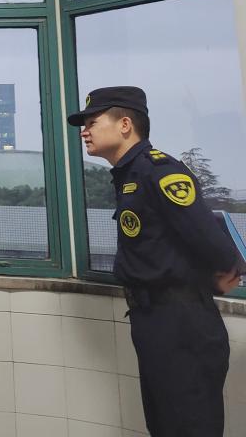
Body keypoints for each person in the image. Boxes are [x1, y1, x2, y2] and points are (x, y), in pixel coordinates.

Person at [67, 86, 240, 437]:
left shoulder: (159, 171)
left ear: (125, 125)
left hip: (181, 322)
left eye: (92, 122)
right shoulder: (129, 175)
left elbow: (212, 241)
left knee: (189, 426)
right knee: (164, 424)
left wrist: (218, 276)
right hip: (154, 319)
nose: (84, 131)